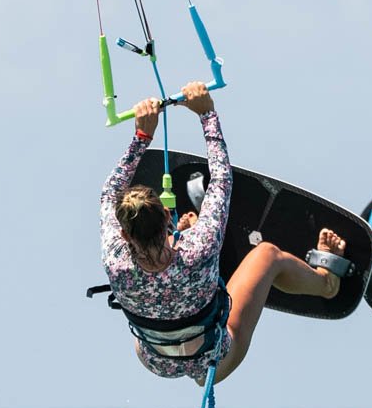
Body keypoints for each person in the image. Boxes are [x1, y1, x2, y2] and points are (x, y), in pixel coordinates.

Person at [99, 81, 351, 387]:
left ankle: (182, 260)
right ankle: (327, 283)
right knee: (267, 254)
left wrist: (141, 137)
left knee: (163, 274)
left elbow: (109, 193)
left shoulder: (115, 259)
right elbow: (220, 180)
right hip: (215, 360)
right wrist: (207, 114)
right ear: (167, 216)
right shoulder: (200, 246)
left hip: (154, 360)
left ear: (124, 235)